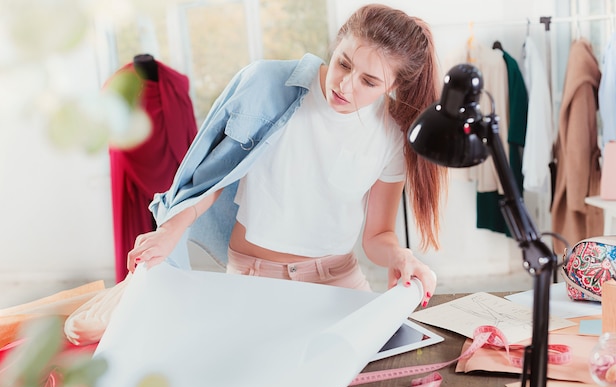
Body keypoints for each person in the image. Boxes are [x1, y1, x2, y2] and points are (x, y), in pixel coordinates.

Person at [127, 4, 447, 307]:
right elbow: (213, 179)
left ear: (393, 85)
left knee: (375, 361)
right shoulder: (266, 87)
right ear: (335, 45)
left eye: (369, 81)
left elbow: (378, 235)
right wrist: (168, 231)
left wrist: (401, 256)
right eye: (343, 63)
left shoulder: (391, 133)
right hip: (253, 277)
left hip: (338, 278)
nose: (346, 86)